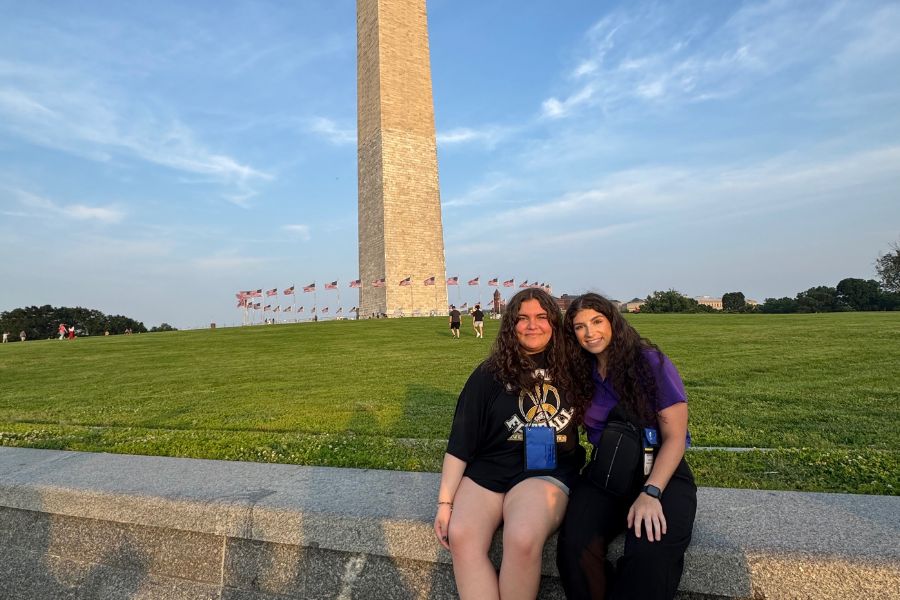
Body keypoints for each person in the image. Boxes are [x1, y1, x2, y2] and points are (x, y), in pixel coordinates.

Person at [434, 288, 585, 600]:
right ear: (510, 325)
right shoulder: (488, 373)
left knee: (522, 535)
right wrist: (445, 503)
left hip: (545, 473)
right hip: (488, 473)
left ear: (554, 323)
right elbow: (461, 442)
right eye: (522, 318)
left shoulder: (575, 368)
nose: (532, 325)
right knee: (461, 535)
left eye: (541, 317)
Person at [556, 293, 696, 600]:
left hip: (660, 470)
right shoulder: (581, 372)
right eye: (579, 327)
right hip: (607, 472)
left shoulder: (649, 362)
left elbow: (675, 436)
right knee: (574, 545)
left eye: (596, 321)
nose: (590, 332)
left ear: (613, 322)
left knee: (650, 554)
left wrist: (651, 492)